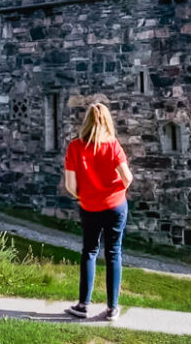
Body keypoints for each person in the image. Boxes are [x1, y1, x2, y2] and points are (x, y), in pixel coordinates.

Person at [63, 102, 133, 321]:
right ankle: (112, 309)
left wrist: (84, 196)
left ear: (87, 121)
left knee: (90, 251)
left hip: (89, 207)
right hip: (115, 206)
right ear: (107, 121)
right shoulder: (113, 145)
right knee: (114, 253)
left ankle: (83, 305)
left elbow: (70, 186)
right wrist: (114, 192)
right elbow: (128, 178)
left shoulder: (75, 147)